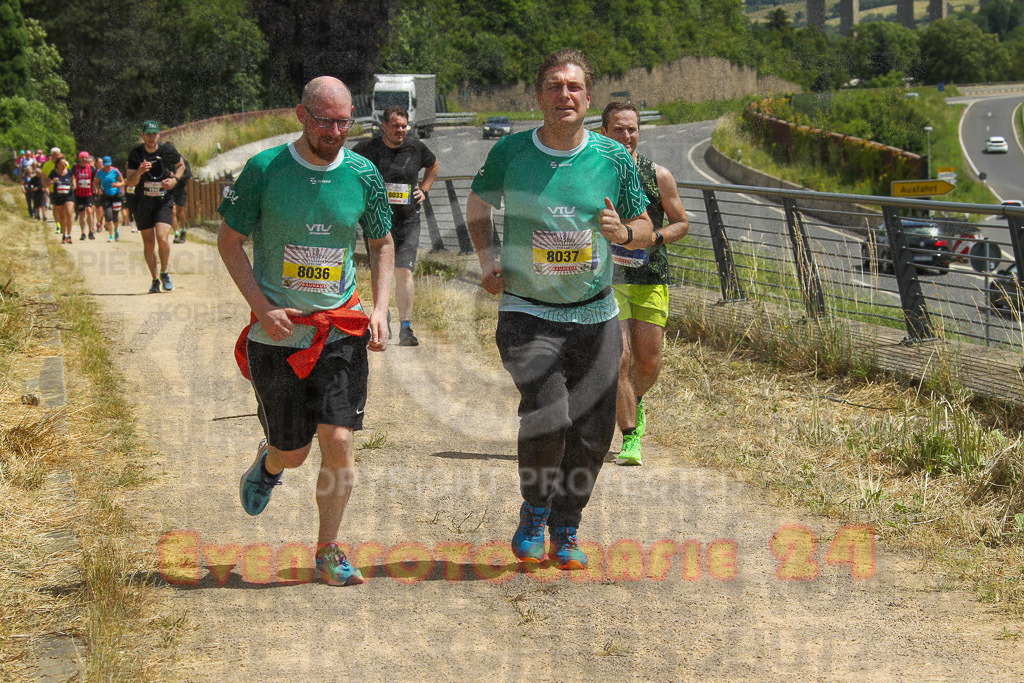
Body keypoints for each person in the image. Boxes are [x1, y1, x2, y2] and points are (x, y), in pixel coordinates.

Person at [466, 49, 652, 570]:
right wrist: (487, 261)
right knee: (550, 415)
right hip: (528, 310)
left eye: (573, 87)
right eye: (554, 86)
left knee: (592, 433)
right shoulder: (510, 153)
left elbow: (642, 230)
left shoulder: (614, 159)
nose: (564, 95)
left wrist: (626, 234)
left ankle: (567, 528)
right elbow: (479, 204)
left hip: (595, 314)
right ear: (539, 96)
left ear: (588, 99)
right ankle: (534, 511)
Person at [218, 76, 394, 587]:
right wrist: (262, 306)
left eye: (344, 122)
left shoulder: (363, 173)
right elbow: (230, 242)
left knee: (339, 440)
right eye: (324, 120)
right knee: (293, 452)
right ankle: (269, 463)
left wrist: (379, 308)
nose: (335, 132)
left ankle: (328, 550)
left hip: (340, 328)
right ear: (300, 114)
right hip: (277, 337)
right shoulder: (264, 170)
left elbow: (382, 244)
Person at [599, 102, 689, 466]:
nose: (626, 136)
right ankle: (630, 436)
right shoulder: (594, 173)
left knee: (648, 363)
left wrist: (654, 239)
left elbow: (682, 222)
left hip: (651, 277)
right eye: (618, 129)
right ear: (604, 132)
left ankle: (631, 402)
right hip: (610, 278)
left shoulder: (659, 175)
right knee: (619, 359)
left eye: (632, 129)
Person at [352, 106, 439, 346]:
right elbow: (347, 167)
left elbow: (433, 165)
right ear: (384, 127)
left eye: (404, 126)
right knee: (380, 272)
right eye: (396, 126)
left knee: (404, 271)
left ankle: (406, 327)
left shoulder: (416, 147)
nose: (401, 130)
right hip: (377, 221)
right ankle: (383, 315)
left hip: (408, 219)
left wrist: (426, 189)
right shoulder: (366, 149)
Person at [126, 120, 185, 293]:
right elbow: (130, 182)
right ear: (142, 135)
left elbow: (181, 165)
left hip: (163, 200)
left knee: (162, 237)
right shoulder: (136, 153)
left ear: (158, 135)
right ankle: (154, 279)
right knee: (149, 243)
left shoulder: (167, 150)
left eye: (154, 134)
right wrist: (139, 172)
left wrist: (175, 180)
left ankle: (164, 271)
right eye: (148, 134)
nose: (151, 138)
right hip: (142, 202)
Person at [95, 156, 126, 241]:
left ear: (111, 164)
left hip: (116, 195)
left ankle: (116, 230)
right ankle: (111, 235)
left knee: (115, 216)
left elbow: (123, 182)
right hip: (106, 196)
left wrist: (117, 185)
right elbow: (95, 181)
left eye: (109, 165)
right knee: (108, 216)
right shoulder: (100, 172)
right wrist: (98, 190)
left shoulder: (115, 171)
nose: (107, 167)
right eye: (106, 165)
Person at [48, 156, 75, 244]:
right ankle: (64, 235)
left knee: (69, 213)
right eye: (62, 164)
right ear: (57, 165)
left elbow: (74, 180)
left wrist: (74, 185)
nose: (64, 166)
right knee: (62, 217)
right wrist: (52, 182)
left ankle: (69, 235)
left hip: (69, 195)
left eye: (65, 164)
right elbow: (47, 183)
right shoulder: (53, 173)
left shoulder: (69, 171)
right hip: (58, 196)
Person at [72, 151, 97, 240]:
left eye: (86, 158)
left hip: (89, 194)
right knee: (82, 214)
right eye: (82, 157)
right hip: (79, 194)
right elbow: (72, 177)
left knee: (90, 211)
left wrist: (96, 190)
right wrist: (73, 184)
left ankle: (91, 231)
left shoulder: (91, 168)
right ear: (79, 158)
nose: (84, 159)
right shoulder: (75, 168)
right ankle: (83, 233)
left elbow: (95, 180)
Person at [172, 156, 192, 243]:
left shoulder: (183, 161)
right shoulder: (165, 161)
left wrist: (176, 177)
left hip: (180, 189)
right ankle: (176, 233)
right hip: (170, 189)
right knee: (172, 211)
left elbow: (188, 175)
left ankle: (183, 230)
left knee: (180, 211)